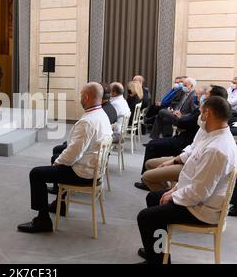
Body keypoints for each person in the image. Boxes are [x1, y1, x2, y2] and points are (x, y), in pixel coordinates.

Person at [137, 96, 237, 264]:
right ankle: (159, 253)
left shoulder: (217, 149)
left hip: (203, 209)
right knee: (152, 198)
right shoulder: (211, 135)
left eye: (200, 111)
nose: (199, 115)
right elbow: (194, 175)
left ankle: (157, 261)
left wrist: (174, 196)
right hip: (199, 197)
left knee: (146, 217)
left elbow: (200, 191)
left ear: (208, 113)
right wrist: (174, 189)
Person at [17, 83, 113, 233]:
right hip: (95, 169)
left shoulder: (88, 121)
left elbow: (74, 154)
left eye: (81, 94)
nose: (80, 97)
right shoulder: (102, 115)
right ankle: (59, 205)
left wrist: (57, 163)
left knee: (36, 173)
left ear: (86, 97)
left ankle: (43, 220)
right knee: (58, 156)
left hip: (83, 174)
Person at [134, 85, 228, 192]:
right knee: (152, 153)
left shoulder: (215, 140)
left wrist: (173, 192)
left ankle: (161, 189)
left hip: (187, 152)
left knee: (154, 142)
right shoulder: (205, 123)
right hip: (187, 151)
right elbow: (194, 146)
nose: (202, 96)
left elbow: (202, 187)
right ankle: (163, 186)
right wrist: (175, 160)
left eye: (205, 94)